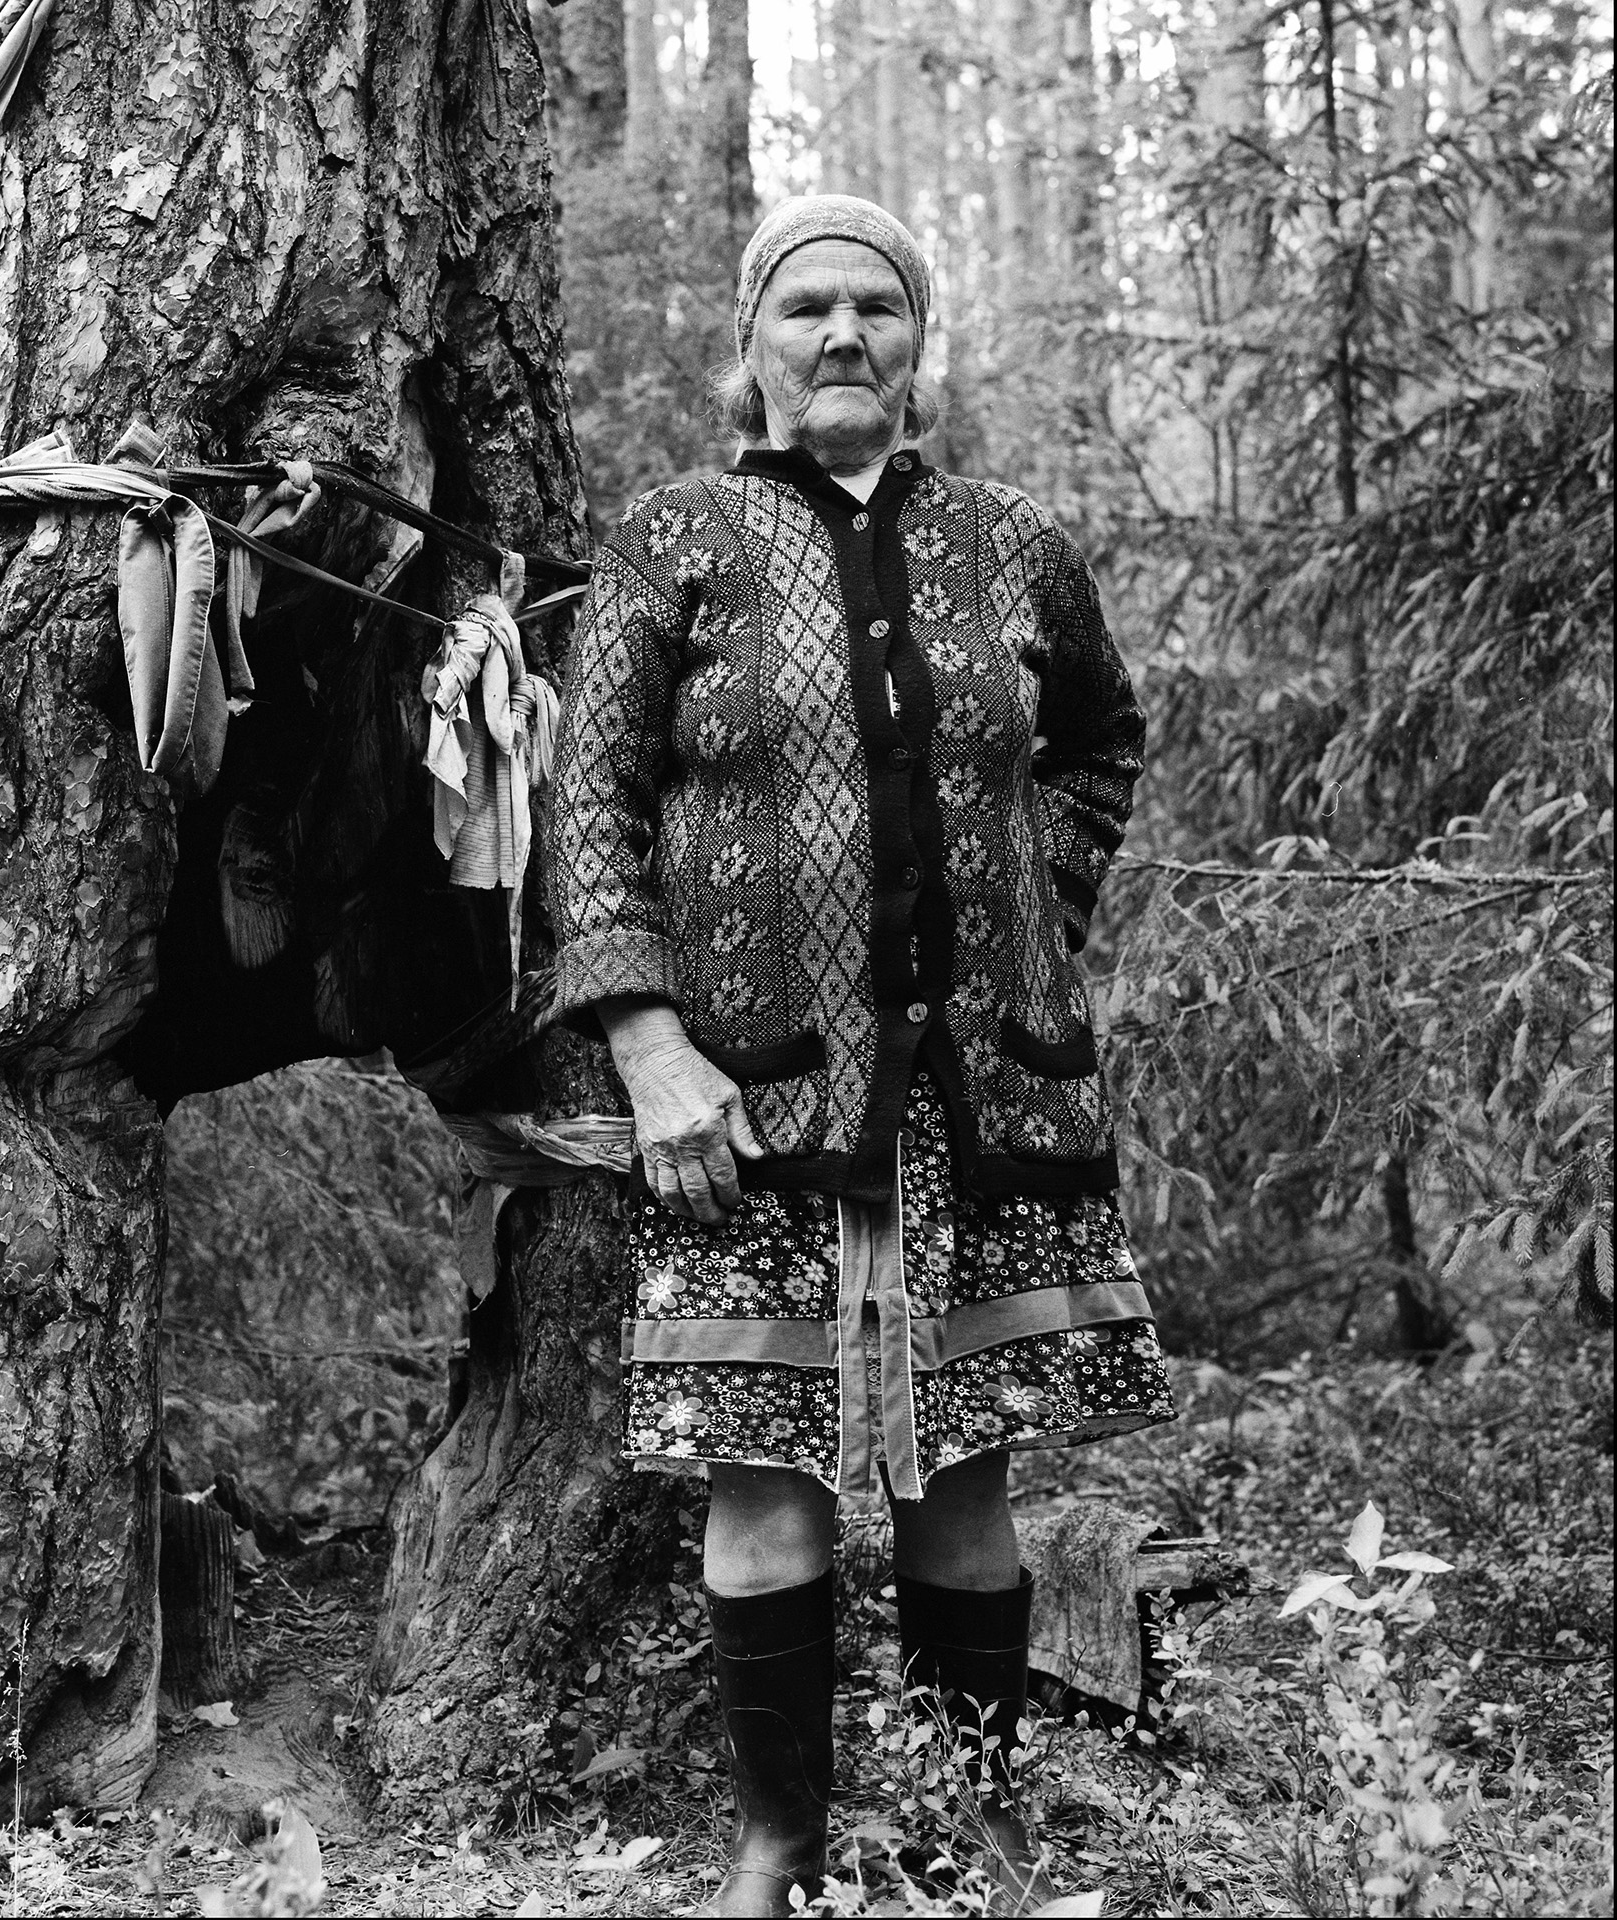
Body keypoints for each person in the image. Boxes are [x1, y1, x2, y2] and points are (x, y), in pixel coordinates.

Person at [548, 194, 1177, 1917]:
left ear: (920, 342)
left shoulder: (1016, 542)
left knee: (967, 1464)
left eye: (876, 308)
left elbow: (1104, 742)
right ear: (750, 345)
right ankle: (778, 1845)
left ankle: (977, 1830)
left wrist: (1026, 911)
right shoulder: (669, 542)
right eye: (807, 307)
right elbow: (587, 811)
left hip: (985, 1094)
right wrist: (650, 1038)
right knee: (764, 1466)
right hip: (750, 1094)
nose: (843, 335)